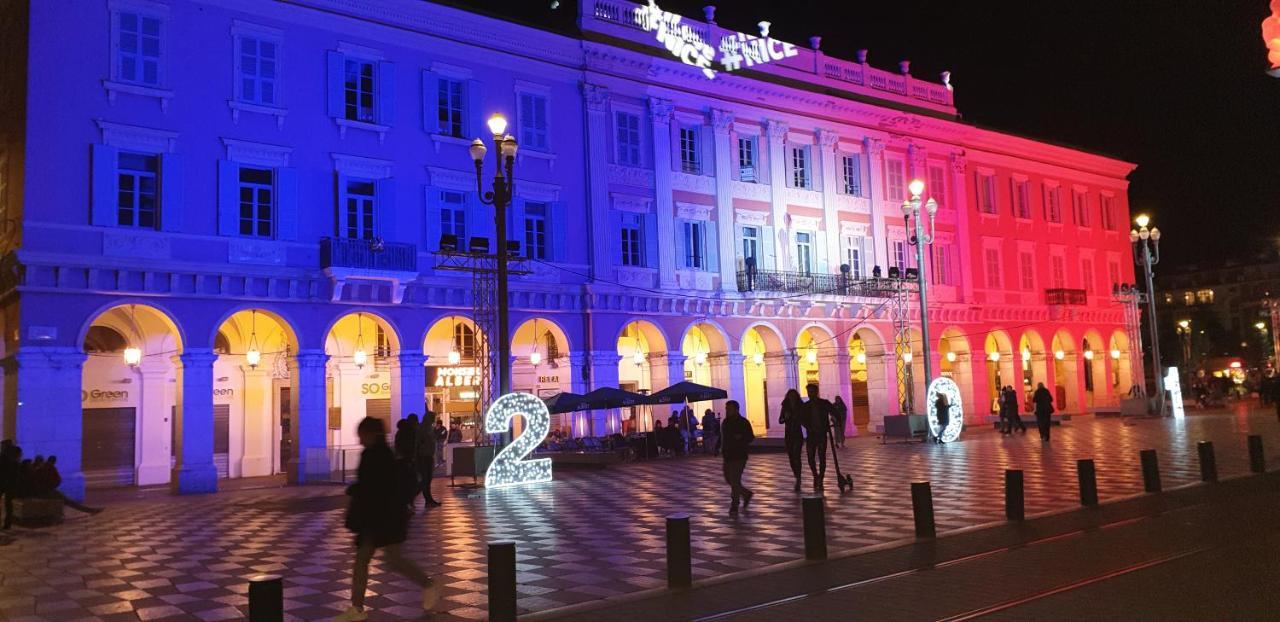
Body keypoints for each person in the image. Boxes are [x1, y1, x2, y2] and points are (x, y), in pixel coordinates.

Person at [337, 417, 438, 622]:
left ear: (372, 434)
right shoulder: (380, 454)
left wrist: (353, 491)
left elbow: (372, 486)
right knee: (380, 559)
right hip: (384, 517)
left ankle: (428, 584)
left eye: (362, 435)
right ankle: (357, 607)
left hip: (381, 518)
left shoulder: (377, 455)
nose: (359, 439)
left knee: (383, 559)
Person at [32, 456, 102, 515]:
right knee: (68, 501)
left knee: (67, 500)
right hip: (46, 492)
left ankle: (90, 510)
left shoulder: (37, 470)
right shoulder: (41, 470)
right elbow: (51, 481)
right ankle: (90, 510)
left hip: (46, 492)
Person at [720, 400, 754, 514]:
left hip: (739, 455)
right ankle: (746, 494)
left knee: (734, 480)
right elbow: (723, 436)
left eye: (729, 408)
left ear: (736, 409)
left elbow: (750, 437)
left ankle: (734, 504)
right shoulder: (725, 422)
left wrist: (741, 437)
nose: (727, 410)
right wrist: (718, 447)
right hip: (728, 455)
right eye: (726, 408)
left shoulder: (743, 422)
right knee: (728, 478)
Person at [803, 384, 834, 491]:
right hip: (811, 435)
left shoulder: (824, 403)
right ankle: (815, 475)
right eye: (808, 392)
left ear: (816, 392)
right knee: (810, 457)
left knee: (822, 457)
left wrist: (835, 420)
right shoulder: (806, 406)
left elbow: (834, 411)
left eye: (812, 391)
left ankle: (821, 477)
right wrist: (808, 426)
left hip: (821, 434)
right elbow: (801, 418)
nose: (810, 394)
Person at [779, 389, 806, 492]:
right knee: (791, 456)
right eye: (790, 396)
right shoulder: (785, 406)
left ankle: (798, 478)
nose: (792, 398)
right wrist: (786, 418)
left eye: (794, 396)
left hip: (797, 434)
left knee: (797, 455)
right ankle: (796, 474)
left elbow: (804, 418)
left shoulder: (800, 406)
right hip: (789, 434)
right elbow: (780, 420)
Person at [415, 412, 442, 508]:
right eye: (433, 417)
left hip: (429, 456)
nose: (434, 419)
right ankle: (415, 498)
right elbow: (419, 443)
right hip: (423, 456)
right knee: (424, 479)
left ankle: (428, 499)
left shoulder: (429, 428)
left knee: (428, 479)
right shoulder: (422, 429)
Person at [0, 440, 20, 529]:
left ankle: (6, 523)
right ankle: (7, 524)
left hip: (3, 483)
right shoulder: (13, 458)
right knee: (9, 504)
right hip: (9, 484)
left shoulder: (3, 457)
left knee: (8, 504)